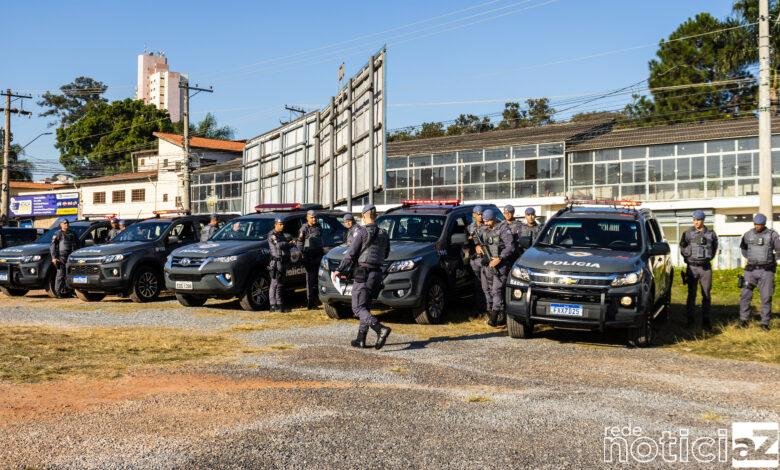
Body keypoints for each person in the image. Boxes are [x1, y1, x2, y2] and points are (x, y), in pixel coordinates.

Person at [334, 204, 392, 349]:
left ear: (364, 216)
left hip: (363, 273)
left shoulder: (362, 232)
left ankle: (380, 329)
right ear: (375, 215)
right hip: (377, 274)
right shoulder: (384, 233)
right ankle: (361, 338)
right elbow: (386, 254)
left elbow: (351, 254)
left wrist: (339, 270)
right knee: (365, 306)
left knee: (357, 307)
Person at [738, 213, 780, 331]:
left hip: (766, 271)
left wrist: (773, 260)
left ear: (764, 224)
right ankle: (743, 320)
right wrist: (752, 259)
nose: (757, 226)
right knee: (745, 295)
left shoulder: (772, 235)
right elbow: (743, 248)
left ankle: (765, 323)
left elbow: (779, 249)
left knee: (766, 297)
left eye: (760, 224)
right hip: (750, 271)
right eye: (756, 224)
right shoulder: (748, 234)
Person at [679, 210, 718, 330]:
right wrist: (688, 257)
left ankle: (706, 320)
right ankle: (690, 319)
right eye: (694, 220)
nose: (696, 222)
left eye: (698, 220)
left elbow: (714, 248)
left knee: (706, 294)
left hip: (705, 268)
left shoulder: (711, 234)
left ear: (703, 220)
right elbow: (682, 246)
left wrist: (706, 259)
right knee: (691, 294)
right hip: (692, 267)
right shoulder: (687, 233)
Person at [481, 209, 515, 327]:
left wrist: (500, 258)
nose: (486, 223)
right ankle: (496, 315)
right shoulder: (485, 230)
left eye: (488, 221)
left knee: (497, 290)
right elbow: (484, 245)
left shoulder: (503, 229)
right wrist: (484, 255)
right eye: (485, 221)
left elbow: (510, 247)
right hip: (489, 265)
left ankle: (495, 317)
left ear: (493, 219)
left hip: (500, 265)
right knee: (490, 290)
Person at [297, 210, 324, 309]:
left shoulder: (318, 227)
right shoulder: (304, 229)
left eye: (315, 217)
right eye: (312, 217)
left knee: (318, 279)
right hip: (309, 257)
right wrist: (302, 255)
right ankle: (311, 302)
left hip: (318, 255)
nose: (314, 219)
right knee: (310, 280)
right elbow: (299, 243)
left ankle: (318, 300)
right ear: (307, 218)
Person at [466, 206, 489, 313]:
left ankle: (489, 309)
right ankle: (480, 308)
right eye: (478, 214)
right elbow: (465, 244)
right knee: (477, 285)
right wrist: (472, 244)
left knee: (487, 285)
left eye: (481, 214)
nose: (480, 216)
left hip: (485, 259)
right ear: (474, 215)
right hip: (474, 259)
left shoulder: (487, 225)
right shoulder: (469, 228)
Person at [267, 217, 292, 312]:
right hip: (276, 262)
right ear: (275, 224)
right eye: (280, 224)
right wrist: (288, 243)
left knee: (280, 284)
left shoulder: (281, 234)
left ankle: (279, 304)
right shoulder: (272, 235)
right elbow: (278, 245)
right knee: (274, 283)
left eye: (283, 224)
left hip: (283, 261)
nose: (282, 226)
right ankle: (273, 305)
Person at [50, 219, 79, 298]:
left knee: (70, 274)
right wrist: (54, 257)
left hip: (72, 256)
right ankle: (58, 292)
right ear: (61, 225)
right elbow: (52, 246)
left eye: (67, 223)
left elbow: (78, 244)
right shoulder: (58, 233)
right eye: (65, 223)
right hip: (62, 257)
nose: (67, 224)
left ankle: (70, 291)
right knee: (61, 274)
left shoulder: (72, 233)